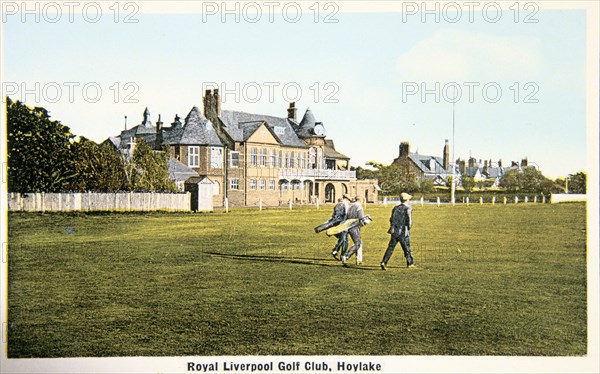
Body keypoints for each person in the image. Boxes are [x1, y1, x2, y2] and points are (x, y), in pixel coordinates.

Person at [380, 192, 415, 270]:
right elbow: (409, 221)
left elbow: (391, 219)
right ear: (407, 200)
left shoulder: (395, 208)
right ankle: (410, 263)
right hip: (403, 231)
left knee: (390, 247)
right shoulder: (408, 208)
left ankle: (384, 262)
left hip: (395, 231)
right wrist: (408, 228)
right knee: (406, 248)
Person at [342, 196, 366, 265]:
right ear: (360, 200)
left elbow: (346, 217)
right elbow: (361, 218)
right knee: (358, 243)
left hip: (349, 226)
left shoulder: (350, 206)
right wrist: (365, 222)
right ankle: (346, 256)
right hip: (355, 227)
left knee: (359, 242)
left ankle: (359, 259)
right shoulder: (359, 207)